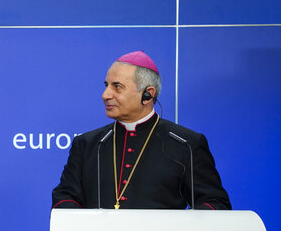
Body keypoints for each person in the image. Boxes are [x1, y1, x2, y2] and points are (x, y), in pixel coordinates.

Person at [52, 50, 231, 210]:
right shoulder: (87, 144)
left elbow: (215, 202)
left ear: (148, 95)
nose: (105, 95)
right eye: (106, 85)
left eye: (117, 87)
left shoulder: (186, 144)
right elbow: (65, 197)